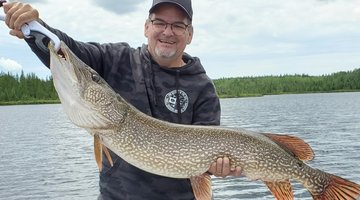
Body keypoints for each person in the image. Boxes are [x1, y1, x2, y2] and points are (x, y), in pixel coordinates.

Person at [2, 0, 242, 199]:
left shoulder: (203, 88)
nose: (167, 32)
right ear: (147, 27)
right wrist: (34, 28)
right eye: (159, 22)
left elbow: (206, 160)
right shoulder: (117, 60)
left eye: (178, 25)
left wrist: (215, 166)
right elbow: (69, 51)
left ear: (189, 34)